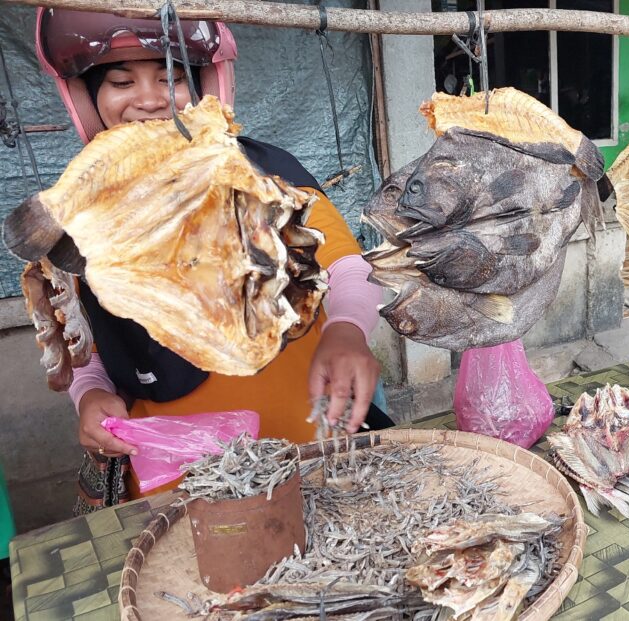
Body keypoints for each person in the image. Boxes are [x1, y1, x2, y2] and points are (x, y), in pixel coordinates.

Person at [34, 8, 392, 505]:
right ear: (86, 99)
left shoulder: (265, 174)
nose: (150, 99)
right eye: (121, 82)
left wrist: (346, 330)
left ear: (206, 85)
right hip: (176, 483)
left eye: (172, 79)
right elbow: (85, 345)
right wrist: (89, 395)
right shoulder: (77, 210)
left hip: (306, 451)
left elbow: (348, 268)